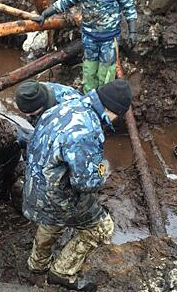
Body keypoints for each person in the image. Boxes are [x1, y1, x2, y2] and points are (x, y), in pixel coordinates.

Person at [22, 79, 133, 291]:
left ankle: (37, 264)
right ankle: (61, 273)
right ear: (114, 110)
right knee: (102, 229)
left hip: (33, 189)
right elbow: (85, 183)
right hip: (55, 197)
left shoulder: (68, 104)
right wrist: (102, 169)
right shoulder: (86, 131)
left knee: (51, 222)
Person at [33, 0, 138, 93]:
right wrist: (46, 14)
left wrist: (133, 31)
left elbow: (129, 9)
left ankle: (104, 98)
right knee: (89, 69)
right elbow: (66, 1)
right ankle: (89, 97)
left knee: (106, 72)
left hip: (109, 38)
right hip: (89, 37)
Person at [15, 80, 82, 125]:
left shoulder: (66, 107)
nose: (27, 115)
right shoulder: (35, 89)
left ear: (42, 105)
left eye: (31, 113)